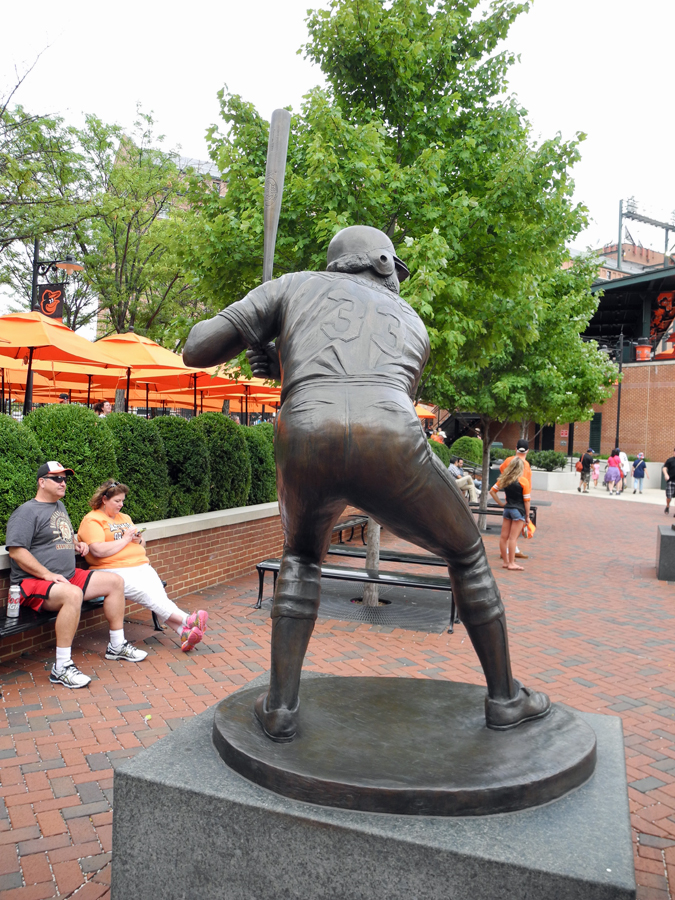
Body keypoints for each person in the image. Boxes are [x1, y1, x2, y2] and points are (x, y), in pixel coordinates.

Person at [184, 224, 549, 740]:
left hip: (304, 432)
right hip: (389, 435)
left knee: (302, 560)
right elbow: (369, 381)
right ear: (379, 263)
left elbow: (197, 349)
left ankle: (281, 708)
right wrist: (278, 349)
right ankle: (505, 698)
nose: (397, 280)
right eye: (394, 269)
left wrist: (258, 333)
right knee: (466, 555)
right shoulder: (414, 322)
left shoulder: (291, 285)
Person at [5, 462, 147, 689]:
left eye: (65, 478)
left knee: (114, 581)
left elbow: (63, 535)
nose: (63, 483)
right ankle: (61, 667)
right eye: (57, 478)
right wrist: (47, 574)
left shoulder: (59, 506)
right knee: (73, 595)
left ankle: (117, 646)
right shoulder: (25, 513)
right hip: (33, 583)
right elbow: (17, 551)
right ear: (42, 482)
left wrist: (77, 544)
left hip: (66, 577)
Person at [78, 480, 209, 651]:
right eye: (117, 501)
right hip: (112, 570)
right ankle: (187, 620)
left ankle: (182, 631)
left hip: (140, 565)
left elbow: (142, 544)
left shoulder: (124, 518)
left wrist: (138, 539)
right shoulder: (92, 520)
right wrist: (125, 539)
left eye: (123, 500)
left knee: (158, 597)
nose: (121, 504)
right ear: (104, 499)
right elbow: (97, 550)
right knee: (148, 594)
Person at [490, 457, 531, 572]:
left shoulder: (505, 479)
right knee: (513, 539)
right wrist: (527, 516)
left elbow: (492, 491)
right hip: (518, 510)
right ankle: (512, 563)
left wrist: (501, 504)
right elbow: (527, 501)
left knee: (504, 537)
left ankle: (505, 562)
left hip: (507, 509)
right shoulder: (523, 481)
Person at [499, 439, 531, 559]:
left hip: (509, 499)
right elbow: (527, 484)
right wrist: (527, 515)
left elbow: (502, 472)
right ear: (527, 451)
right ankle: (512, 553)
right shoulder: (526, 465)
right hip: (521, 500)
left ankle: (507, 554)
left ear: (515, 448)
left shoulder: (508, 460)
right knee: (514, 534)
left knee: (505, 534)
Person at [663, 449, 675, 515]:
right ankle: (667, 506)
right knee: (669, 497)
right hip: (671, 481)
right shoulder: (670, 460)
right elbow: (664, 468)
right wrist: (666, 474)